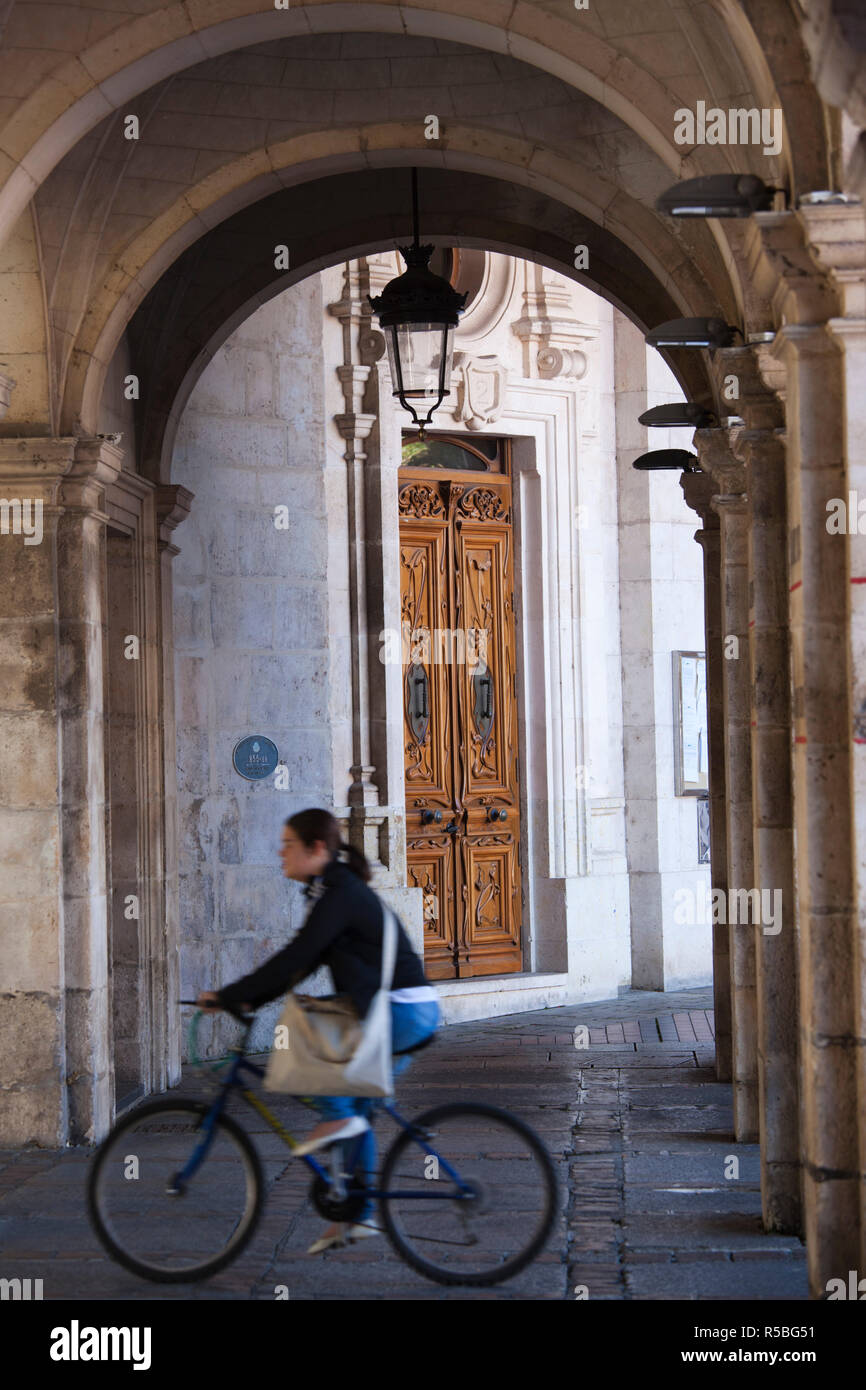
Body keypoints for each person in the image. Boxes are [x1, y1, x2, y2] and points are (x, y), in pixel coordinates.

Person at [196, 807, 440, 1253]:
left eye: (289, 844)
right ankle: (356, 1217)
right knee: (355, 1111)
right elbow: (301, 963)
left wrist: (233, 994)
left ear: (317, 848)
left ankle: (339, 1118)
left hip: (401, 1010)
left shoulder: (338, 893)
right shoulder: (328, 891)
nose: (280, 852)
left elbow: (296, 956)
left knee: (314, 1046)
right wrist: (246, 998)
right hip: (396, 1009)